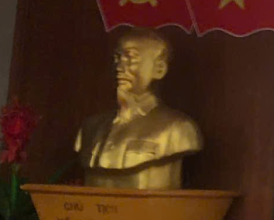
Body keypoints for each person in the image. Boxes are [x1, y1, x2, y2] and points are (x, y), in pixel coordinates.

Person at [75, 27, 203, 189]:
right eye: (117, 58)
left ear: (159, 69)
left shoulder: (178, 128)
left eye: (131, 58)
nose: (119, 67)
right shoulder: (91, 127)